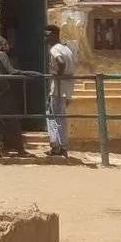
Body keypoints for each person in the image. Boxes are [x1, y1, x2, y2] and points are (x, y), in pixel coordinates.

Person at [0, 38, 37, 156]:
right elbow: (12, 71)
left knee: (2, 122)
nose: (7, 46)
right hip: (5, 93)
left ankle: (5, 149)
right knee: (13, 121)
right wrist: (31, 74)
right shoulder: (1, 54)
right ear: (0, 45)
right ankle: (20, 150)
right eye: (5, 44)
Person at [45, 25, 76, 157]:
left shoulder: (54, 49)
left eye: (46, 35)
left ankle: (56, 147)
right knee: (61, 117)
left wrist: (58, 75)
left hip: (58, 88)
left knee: (52, 116)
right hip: (67, 89)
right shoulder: (67, 48)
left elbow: (61, 62)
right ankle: (63, 147)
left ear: (53, 35)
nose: (45, 38)